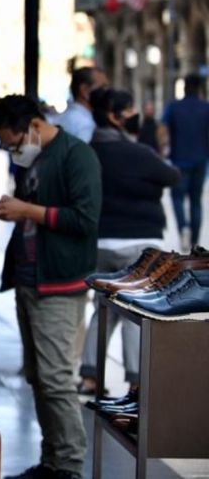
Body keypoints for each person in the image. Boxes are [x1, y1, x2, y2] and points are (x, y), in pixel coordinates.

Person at [0, 94, 101, 479]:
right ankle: (52, 459)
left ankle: (68, 464)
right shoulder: (35, 160)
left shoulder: (76, 155)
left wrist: (27, 210)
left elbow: (84, 218)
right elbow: (33, 209)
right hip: (29, 278)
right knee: (38, 377)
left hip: (59, 282)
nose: (12, 150)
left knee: (55, 379)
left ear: (34, 127)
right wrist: (13, 209)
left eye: (14, 143)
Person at [78, 89, 180, 395]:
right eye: (129, 110)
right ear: (115, 115)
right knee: (136, 309)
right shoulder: (139, 153)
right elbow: (171, 176)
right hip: (139, 245)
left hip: (99, 243)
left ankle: (90, 376)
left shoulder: (86, 152)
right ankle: (136, 380)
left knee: (103, 307)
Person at [163, 74, 209, 250]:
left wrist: (164, 148)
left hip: (179, 160)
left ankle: (183, 227)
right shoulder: (206, 107)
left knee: (177, 197)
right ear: (199, 88)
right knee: (196, 201)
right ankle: (195, 240)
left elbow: (162, 128)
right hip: (200, 159)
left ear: (184, 87)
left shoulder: (174, 107)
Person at [53, 66, 109, 143]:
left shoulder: (68, 116)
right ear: (84, 90)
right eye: (102, 87)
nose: (106, 92)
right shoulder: (84, 123)